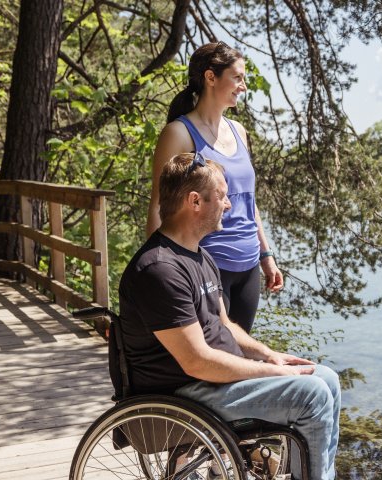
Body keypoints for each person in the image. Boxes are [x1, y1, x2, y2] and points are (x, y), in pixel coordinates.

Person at [121, 152, 340, 479]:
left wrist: (270, 357)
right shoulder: (159, 269)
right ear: (194, 201)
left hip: (210, 382)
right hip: (185, 393)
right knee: (312, 394)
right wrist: (270, 375)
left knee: (327, 380)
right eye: (221, 196)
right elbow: (196, 361)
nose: (228, 205)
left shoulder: (200, 256)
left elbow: (223, 324)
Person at [147, 41, 279, 334]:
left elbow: (248, 200)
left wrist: (265, 255)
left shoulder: (238, 131)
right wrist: (157, 271)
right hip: (205, 264)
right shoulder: (179, 133)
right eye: (237, 77)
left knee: (241, 352)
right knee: (213, 354)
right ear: (210, 77)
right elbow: (159, 204)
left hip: (247, 267)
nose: (243, 86)